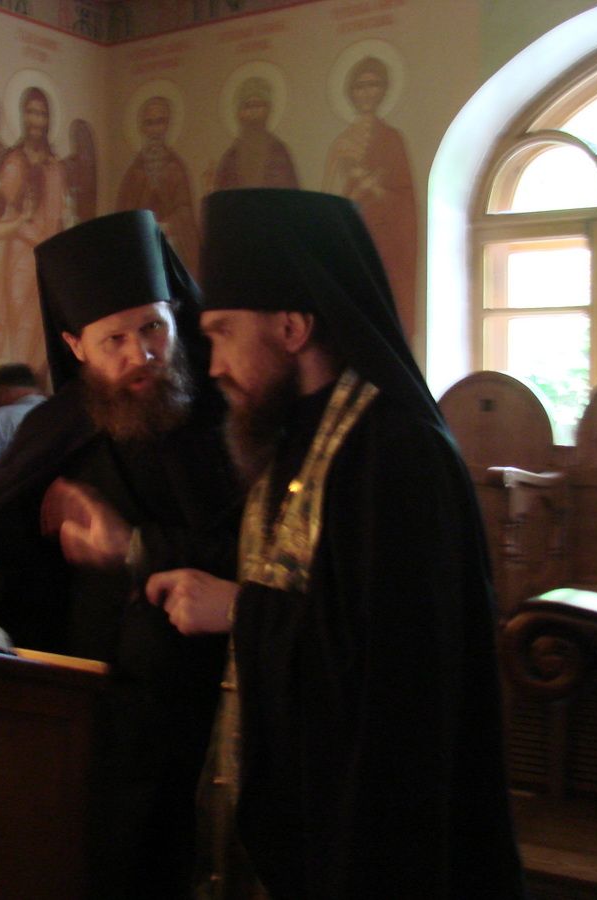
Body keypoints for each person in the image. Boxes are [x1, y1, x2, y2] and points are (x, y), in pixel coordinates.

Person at [147, 189, 526, 898]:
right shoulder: (288, 437)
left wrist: (239, 611)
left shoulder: (396, 452)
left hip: (367, 836)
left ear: (291, 327)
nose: (213, 363)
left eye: (224, 332)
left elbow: (400, 669)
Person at [0, 209, 241, 899]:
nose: (141, 354)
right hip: (99, 714)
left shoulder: (230, 421)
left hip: (216, 715)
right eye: (114, 338)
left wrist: (132, 547)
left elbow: (260, 556)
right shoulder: (56, 429)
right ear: (75, 345)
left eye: (153, 328)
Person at [322, 55, 418, 337]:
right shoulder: (342, 142)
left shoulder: (392, 139)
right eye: (360, 86)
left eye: (374, 85)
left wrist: (375, 188)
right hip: (352, 236)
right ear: (351, 93)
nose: (367, 93)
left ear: (384, 90)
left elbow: (405, 197)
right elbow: (327, 194)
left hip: (386, 241)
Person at [0, 85, 66, 381]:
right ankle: (22, 385)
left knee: (43, 330)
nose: (36, 120)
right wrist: (25, 226)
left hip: (48, 259)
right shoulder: (13, 162)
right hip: (21, 260)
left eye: (42, 114)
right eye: (31, 112)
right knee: (21, 325)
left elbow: (58, 218)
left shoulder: (55, 167)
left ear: (48, 120)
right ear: (22, 116)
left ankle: (38, 389)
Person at [116, 95, 201, 273]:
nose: (155, 130)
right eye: (150, 123)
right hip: (140, 244)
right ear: (142, 128)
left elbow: (185, 210)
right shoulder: (134, 172)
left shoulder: (176, 168)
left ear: (167, 125)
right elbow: (123, 213)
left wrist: (168, 225)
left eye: (160, 122)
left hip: (171, 244)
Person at [213, 76, 299, 191]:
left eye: (259, 105)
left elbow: (291, 194)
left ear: (268, 110)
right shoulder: (230, 158)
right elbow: (221, 196)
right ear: (239, 113)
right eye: (248, 106)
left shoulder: (279, 152)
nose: (254, 110)